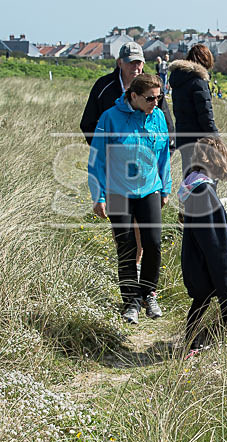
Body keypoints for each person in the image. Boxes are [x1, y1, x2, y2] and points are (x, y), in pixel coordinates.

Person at [80, 42, 175, 282]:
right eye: (132, 62)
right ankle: (129, 280)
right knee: (125, 237)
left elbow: (163, 123)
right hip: (117, 176)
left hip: (146, 178)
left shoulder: (151, 87)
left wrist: (163, 160)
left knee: (147, 235)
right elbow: (88, 123)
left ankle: (140, 272)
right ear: (120, 62)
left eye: (140, 62)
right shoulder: (104, 87)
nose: (136, 66)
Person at [88, 74, 171, 324]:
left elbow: (164, 155)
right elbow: (97, 161)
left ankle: (149, 293)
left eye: (159, 97)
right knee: (126, 248)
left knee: (153, 244)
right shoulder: (109, 118)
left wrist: (165, 188)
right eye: (149, 98)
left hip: (149, 189)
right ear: (133, 96)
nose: (155, 103)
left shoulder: (157, 117)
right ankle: (131, 302)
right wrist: (98, 196)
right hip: (117, 192)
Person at [178, 137, 227, 352]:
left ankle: (190, 342)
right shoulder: (203, 193)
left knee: (201, 301)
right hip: (210, 265)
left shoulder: (195, 185)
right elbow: (215, 245)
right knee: (220, 303)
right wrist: (225, 280)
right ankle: (222, 346)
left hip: (199, 261)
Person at [168, 44, 219, 178]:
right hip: (200, 140)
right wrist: (215, 138)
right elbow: (205, 114)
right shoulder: (198, 82)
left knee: (189, 181)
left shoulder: (178, 79)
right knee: (204, 182)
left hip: (184, 138)